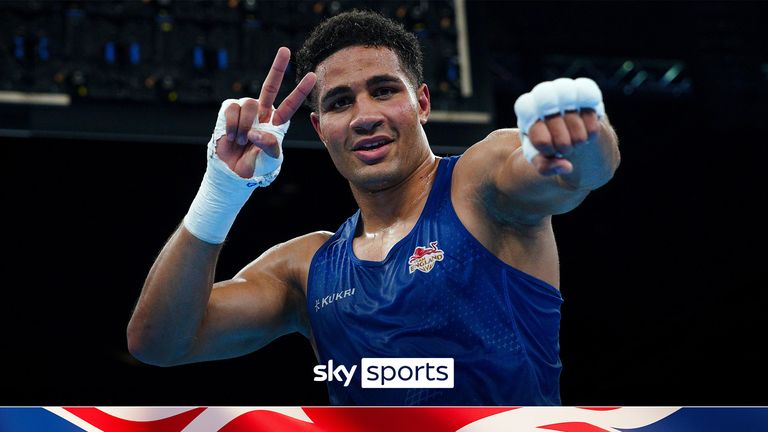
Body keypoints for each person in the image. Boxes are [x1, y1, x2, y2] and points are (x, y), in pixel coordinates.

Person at [127, 10, 620, 406]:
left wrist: (579, 136)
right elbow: (159, 344)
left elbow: (575, 175)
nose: (365, 116)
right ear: (321, 130)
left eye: (384, 91)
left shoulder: (477, 183)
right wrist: (221, 192)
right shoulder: (305, 267)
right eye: (341, 103)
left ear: (422, 102)